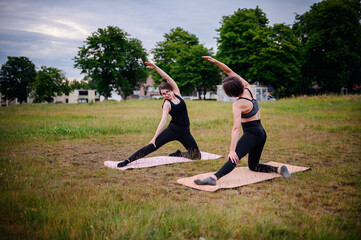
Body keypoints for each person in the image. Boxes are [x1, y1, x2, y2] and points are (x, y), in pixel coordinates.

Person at [194, 56, 290, 185]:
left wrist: (232, 150)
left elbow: (236, 128)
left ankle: (213, 178)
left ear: (230, 93)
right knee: (253, 166)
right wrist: (216, 61)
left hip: (251, 134)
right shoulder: (248, 88)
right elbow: (229, 72)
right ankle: (279, 169)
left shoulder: (238, 104)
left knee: (234, 158)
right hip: (261, 133)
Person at [117, 62, 201, 168]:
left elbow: (168, 78)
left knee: (197, 156)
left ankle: (179, 154)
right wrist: (154, 137)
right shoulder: (167, 104)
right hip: (172, 130)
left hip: (185, 132)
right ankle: (128, 160)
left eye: (167, 92)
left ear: (172, 90)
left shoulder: (178, 94)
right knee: (153, 146)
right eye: (163, 94)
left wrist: (156, 68)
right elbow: (163, 121)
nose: (166, 95)